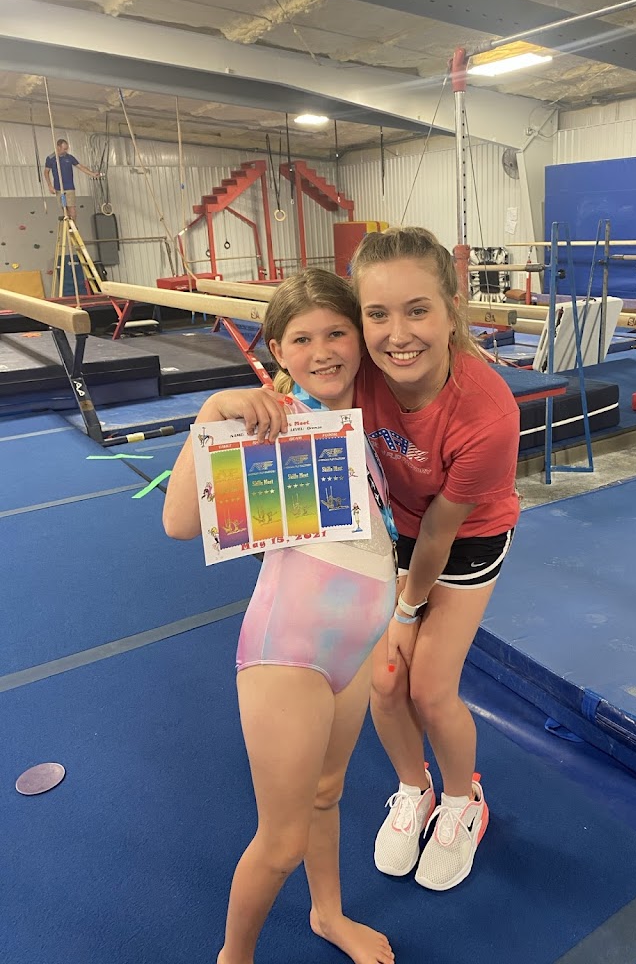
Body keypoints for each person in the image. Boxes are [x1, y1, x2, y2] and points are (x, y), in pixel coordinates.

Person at [238, 228, 521, 893]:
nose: (399, 335)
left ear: (452, 308)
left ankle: (463, 800)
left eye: (418, 310)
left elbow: (441, 531)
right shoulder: (362, 367)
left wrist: (406, 610)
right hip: (393, 530)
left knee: (429, 688)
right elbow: (304, 375)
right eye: (377, 315)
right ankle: (413, 787)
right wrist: (237, 404)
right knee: (387, 681)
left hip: (464, 539)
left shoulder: (487, 413)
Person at [163, 269, 397, 964]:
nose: (322, 351)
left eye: (337, 332)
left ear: (360, 336)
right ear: (277, 350)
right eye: (302, 339)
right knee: (282, 840)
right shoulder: (272, 419)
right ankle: (233, 956)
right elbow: (179, 522)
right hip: (289, 651)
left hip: (357, 642)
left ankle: (328, 915)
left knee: (327, 795)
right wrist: (213, 412)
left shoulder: (375, 414)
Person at [44, 139, 101, 222]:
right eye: (64, 149)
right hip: (58, 188)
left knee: (72, 208)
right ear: (58, 147)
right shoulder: (50, 158)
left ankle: (73, 225)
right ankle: (68, 224)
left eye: (67, 149)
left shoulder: (69, 157)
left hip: (69, 187)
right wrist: (50, 186)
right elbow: (46, 172)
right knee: (64, 208)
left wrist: (92, 174)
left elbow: (80, 167)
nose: (66, 151)